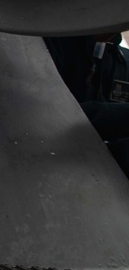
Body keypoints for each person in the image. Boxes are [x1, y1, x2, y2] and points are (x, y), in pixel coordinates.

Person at [45, 31, 129, 176]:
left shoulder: (123, 62)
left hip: (94, 177)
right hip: (44, 161)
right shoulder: (51, 42)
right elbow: (48, 120)